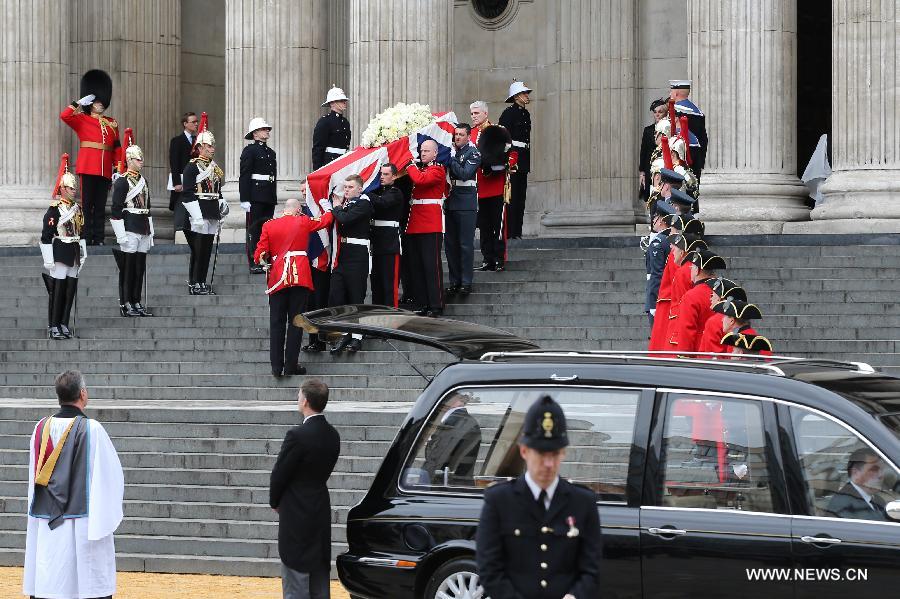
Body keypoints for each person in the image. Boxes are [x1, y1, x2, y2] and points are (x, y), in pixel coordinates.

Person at [476, 395, 600, 599]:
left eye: (555, 454)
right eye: (542, 454)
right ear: (524, 451)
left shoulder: (583, 502)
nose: (549, 464)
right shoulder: (499, 500)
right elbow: (490, 569)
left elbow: (591, 570)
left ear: (564, 454)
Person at [23, 370, 124, 599]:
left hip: (47, 521)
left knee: (52, 580)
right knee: (85, 584)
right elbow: (109, 477)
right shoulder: (93, 430)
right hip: (83, 521)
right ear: (82, 394)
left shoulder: (40, 429)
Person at [270, 379, 341, 599]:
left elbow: (279, 474)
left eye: (299, 396)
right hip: (319, 505)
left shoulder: (297, 436)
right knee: (319, 576)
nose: (298, 399)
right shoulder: (333, 435)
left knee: (296, 575)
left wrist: (275, 501)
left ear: (306, 401)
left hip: (296, 509)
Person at [255, 198, 334, 378]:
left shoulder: (269, 225)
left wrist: (264, 260)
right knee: (296, 323)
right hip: (300, 276)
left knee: (276, 323)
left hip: (277, 278)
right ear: (298, 210)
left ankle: (276, 367)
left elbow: (259, 253)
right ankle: (291, 365)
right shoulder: (303, 220)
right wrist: (329, 208)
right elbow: (325, 221)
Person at [60, 69, 121, 246]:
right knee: (87, 205)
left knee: (101, 207)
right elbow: (64, 116)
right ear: (90, 102)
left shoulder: (112, 122)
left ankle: (99, 238)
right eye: (97, 101)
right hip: (88, 167)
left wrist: (118, 168)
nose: (101, 104)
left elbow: (116, 147)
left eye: (102, 101)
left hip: (104, 170)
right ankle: (86, 237)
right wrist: (77, 103)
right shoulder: (81, 119)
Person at [40, 154, 87, 340]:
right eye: (70, 187)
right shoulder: (54, 209)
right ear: (62, 188)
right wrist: (48, 259)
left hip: (74, 250)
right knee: (58, 290)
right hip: (60, 249)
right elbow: (45, 236)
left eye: (75, 187)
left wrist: (83, 254)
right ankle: (53, 325)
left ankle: (64, 323)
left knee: (70, 289)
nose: (74, 190)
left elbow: (81, 232)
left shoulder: (78, 209)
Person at [402, 140, 448, 317]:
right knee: (418, 266)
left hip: (430, 222)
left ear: (435, 153)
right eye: (421, 150)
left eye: (427, 151)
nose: (423, 153)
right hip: (415, 223)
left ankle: (436, 304)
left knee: (431, 266)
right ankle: (423, 303)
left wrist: (408, 163)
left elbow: (421, 181)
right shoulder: (421, 169)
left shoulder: (437, 169)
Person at [328, 175, 373, 355]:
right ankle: (346, 332)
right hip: (343, 253)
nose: (346, 190)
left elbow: (345, 219)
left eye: (350, 187)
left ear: (360, 189)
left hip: (357, 254)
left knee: (356, 295)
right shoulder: (347, 205)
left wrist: (337, 207)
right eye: (345, 187)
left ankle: (357, 337)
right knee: (338, 294)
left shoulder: (364, 203)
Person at [181, 123, 227, 296]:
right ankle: (194, 282)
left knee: (207, 250)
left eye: (212, 145)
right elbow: (187, 193)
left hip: (212, 211)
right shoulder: (192, 166)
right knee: (198, 250)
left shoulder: (214, 167)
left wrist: (222, 204)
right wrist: (197, 216)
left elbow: (217, 190)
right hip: (198, 212)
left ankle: (202, 281)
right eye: (208, 146)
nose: (212, 148)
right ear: (199, 147)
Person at [110, 142, 154, 317]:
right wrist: (120, 235)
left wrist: (151, 232)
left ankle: (136, 301)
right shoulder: (122, 181)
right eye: (138, 158)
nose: (141, 161)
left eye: (141, 158)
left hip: (143, 225)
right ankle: (126, 302)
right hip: (129, 226)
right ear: (129, 160)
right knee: (128, 268)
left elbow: (148, 207)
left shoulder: (144, 181)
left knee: (139, 267)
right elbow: (116, 210)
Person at [471, 100, 515, 272]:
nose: (474, 116)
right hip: (479, 187)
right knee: (484, 226)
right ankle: (487, 258)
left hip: (496, 185)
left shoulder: (498, 130)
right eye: (472, 113)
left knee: (498, 224)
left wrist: (505, 164)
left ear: (485, 113)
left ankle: (498, 258)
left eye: (477, 113)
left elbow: (512, 152)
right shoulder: (471, 134)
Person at [445, 123, 482, 296]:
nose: (457, 137)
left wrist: (451, 159)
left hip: (466, 201)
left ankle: (466, 282)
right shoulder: (452, 151)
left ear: (468, 136)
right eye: (455, 134)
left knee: (465, 244)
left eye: (461, 134)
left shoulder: (473, 152)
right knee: (451, 245)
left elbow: (465, 173)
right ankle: (454, 280)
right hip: (451, 200)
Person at [301, 180, 335, 353]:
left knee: (320, 303)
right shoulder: (302, 213)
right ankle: (313, 340)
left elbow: (324, 225)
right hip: (305, 265)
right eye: (301, 191)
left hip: (320, 264)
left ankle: (321, 340)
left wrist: (327, 209)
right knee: (309, 305)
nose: (303, 194)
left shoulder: (317, 211)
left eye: (306, 191)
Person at [672, 249, 727, 355]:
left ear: (697, 270)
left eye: (692, 267)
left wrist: (684, 357)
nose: (691, 270)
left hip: (699, 354)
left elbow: (686, 331)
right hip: (722, 353)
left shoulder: (691, 296)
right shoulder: (724, 291)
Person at [241, 117, 278, 273]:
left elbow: (272, 176)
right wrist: (244, 198)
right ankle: (254, 261)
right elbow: (245, 175)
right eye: (264, 129)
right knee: (255, 230)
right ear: (255, 133)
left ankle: (265, 260)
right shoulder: (250, 151)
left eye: (267, 129)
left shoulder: (270, 152)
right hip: (255, 196)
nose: (267, 131)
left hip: (267, 195)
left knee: (267, 230)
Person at [421, 392, 482, 486]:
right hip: (453, 486)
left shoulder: (456, 422)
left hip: (446, 488)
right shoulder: (459, 420)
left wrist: (421, 485)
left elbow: (437, 464)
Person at [499, 80, 532, 239]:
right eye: (524, 93)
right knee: (511, 197)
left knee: (520, 196)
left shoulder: (526, 114)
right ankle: (510, 232)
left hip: (524, 158)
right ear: (516, 96)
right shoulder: (508, 113)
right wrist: (507, 159)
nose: (527, 96)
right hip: (513, 157)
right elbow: (503, 138)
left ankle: (517, 231)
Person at [369, 164, 405, 308]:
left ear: (394, 176)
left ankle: (391, 315)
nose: (382, 177)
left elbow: (382, 203)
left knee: (389, 284)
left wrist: (365, 192)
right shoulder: (377, 191)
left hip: (390, 244)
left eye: (385, 174)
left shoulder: (396, 193)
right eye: (381, 174)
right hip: (376, 243)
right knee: (376, 284)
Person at [825, 448, 890, 521]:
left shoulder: (877, 500)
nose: (881, 475)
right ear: (856, 473)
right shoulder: (842, 503)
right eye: (874, 469)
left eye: (882, 469)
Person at [669, 80, 708, 179]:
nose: (670, 94)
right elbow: (703, 138)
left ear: (676, 93)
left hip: (679, 153)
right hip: (696, 154)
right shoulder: (698, 112)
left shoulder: (675, 109)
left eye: (671, 91)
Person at [169, 112, 199, 238]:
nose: (196, 124)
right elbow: (174, 163)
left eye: (196, 121)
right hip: (181, 180)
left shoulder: (198, 141)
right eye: (193, 122)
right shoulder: (177, 141)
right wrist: (176, 182)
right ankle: (180, 232)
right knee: (181, 207)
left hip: (195, 181)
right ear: (185, 124)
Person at [697, 280, 748, 355]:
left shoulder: (714, 321)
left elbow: (711, 355)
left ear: (719, 298)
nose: (710, 299)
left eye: (712, 295)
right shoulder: (739, 318)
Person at [645, 202, 675, 328]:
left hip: (659, 297)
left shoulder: (658, 241)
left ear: (662, 220)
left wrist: (652, 303)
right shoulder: (672, 239)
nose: (653, 221)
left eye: (655, 217)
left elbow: (656, 274)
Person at [312, 86, 351, 170]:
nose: (344, 102)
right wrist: (317, 170)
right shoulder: (325, 121)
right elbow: (318, 148)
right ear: (332, 103)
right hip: (330, 163)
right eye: (341, 100)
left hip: (343, 162)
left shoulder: (345, 122)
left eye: (344, 100)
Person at [639, 98, 668, 201]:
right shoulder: (648, 130)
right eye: (655, 112)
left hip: (665, 166)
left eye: (660, 112)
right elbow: (644, 152)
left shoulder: (669, 129)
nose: (657, 114)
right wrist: (642, 172)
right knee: (652, 196)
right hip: (649, 167)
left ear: (665, 113)